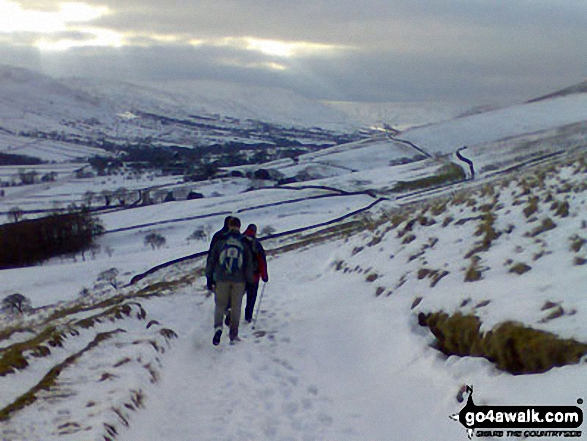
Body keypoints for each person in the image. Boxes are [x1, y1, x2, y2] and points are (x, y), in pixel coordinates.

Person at [205, 217, 253, 345]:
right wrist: (249, 282)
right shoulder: (244, 242)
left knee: (220, 305)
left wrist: (209, 278)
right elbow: (248, 265)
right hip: (239, 280)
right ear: (239, 226)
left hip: (221, 278)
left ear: (229, 225)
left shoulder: (220, 240)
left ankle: (218, 328)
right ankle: (233, 335)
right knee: (236, 307)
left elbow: (212, 260)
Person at [242, 224, 269, 323]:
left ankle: (231, 315)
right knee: (251, 297)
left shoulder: (239, 241)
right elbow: (262, 261)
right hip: (254, 276)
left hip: (239, 276)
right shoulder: (256, 244)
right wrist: (264, 276)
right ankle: (248, 317)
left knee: (237, 297)